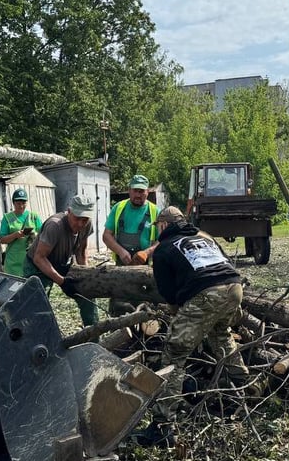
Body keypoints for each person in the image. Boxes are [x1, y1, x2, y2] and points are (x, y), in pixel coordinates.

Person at [151, 205, 251, 410]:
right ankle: (244, 390)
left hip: (207, 293)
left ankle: (163, 422)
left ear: (164, 225)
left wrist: (177, 312)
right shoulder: (205, 237)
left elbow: (167, 290)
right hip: (234, 288)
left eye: (159, 226)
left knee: (174, 353)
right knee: (221, 334)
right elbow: (226, 263)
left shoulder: (163, 248)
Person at [23, 194, 99, 326]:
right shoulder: (54, 226)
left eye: (85, 220)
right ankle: (38, 338)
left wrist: (86, 275)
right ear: (69, 212)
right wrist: (62, 282)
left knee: (88, 295)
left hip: (62, 263)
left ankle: (93, 337)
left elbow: (81, 252)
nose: (81, 224)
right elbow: (39, 258)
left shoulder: (87, 225)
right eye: (77, 218)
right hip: (37, 265)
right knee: (37, 304)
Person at [103, 174, 159, 266]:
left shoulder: (155, 211)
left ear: (147, 192)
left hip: (145, 267)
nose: (138, 195)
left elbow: (162, 240)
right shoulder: (118, 208)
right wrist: (120, 252)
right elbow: (106, 235)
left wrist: (146, 253)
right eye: (135, 191)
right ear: (129, 190)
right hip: (121, 265)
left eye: (141, 191)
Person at [0, 188, 43, 276]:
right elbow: (2, 240)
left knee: (29, 286)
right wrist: (15, 235)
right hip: (13, 262)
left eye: (24, 203)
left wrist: (34, 235)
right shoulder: (7, 218)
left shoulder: (34, 216)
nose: (21, 206)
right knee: (13, 287)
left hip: (31, 259)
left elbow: (43, 235)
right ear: (13, 203)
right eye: (18, 203)